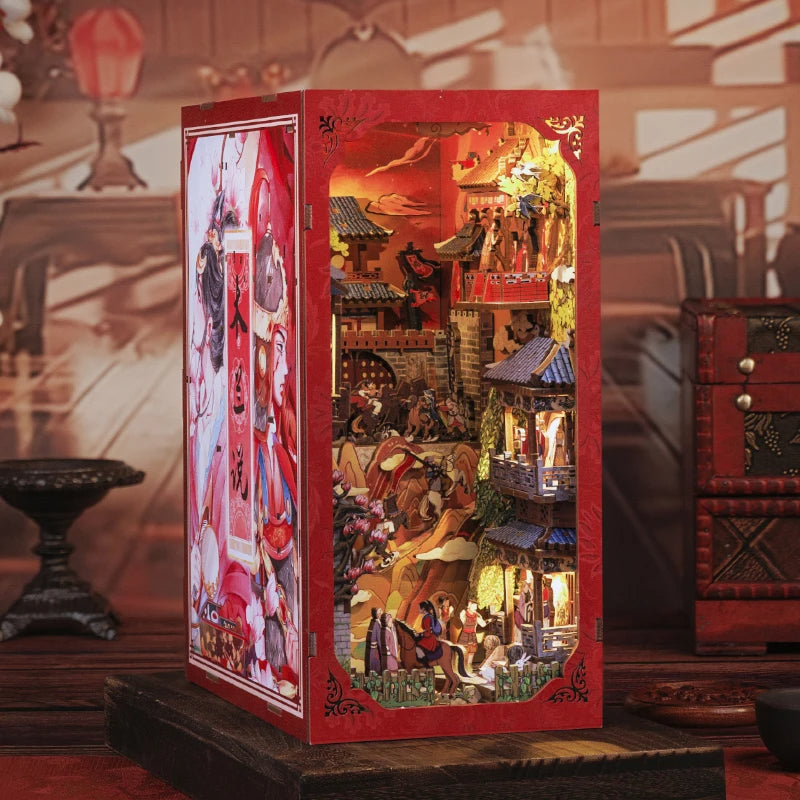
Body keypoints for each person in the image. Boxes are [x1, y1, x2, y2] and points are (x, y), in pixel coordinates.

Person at [459, 599, 487, 673]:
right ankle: (463, 668)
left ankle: (469, 667)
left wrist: (480, 616)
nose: (475, 608)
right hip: (465, 635)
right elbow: (462, 616)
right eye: (474, 606)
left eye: (476, 607)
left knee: (472, 652)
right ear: (469, 605)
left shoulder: (476, 616)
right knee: (464, 651)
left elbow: (483, 624)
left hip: (472, 635)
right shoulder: (463, 613)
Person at [415, 600, 443, 664]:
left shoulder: (427, 618)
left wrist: (420, 635)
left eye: (419, 608)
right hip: (429, 636)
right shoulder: (428, 616)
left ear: (423, 609)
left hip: (430, 639)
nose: (418, 610)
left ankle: (425, 663)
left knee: (417, 647)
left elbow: (428, 633)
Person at [365, 607, 383, 675]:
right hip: (375, 651)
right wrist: (382, 651)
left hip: (369, 650)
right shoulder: (377, 624)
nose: (381, 614)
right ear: (377, 615)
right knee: (376, 667)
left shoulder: (372, 622)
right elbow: (379, 639)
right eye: (380, 612)